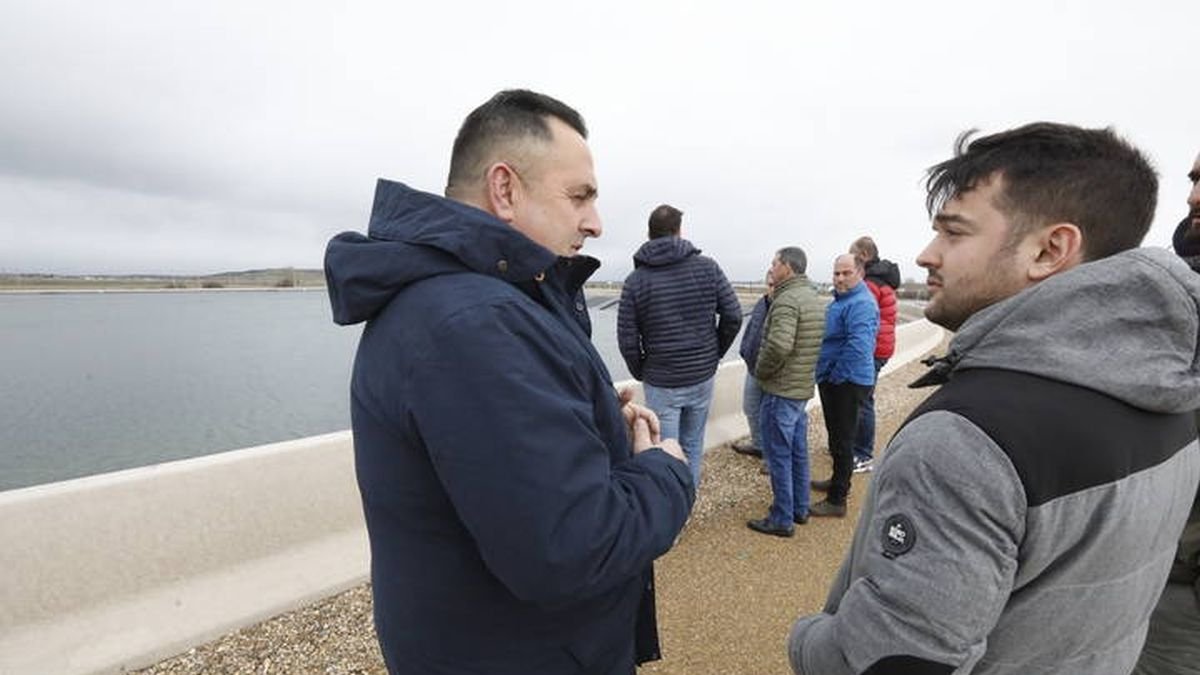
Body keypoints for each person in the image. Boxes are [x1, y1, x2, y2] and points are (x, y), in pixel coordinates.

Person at [788, 123, 1200, 675]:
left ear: (1050, 249)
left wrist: (811, 638)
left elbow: (887, 660)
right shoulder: (1173, 389)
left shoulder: (965, 440)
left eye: (954, 233)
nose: (927, 254)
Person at [324, 89, 695, 675]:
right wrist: (666, 469)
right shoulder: (473, 325)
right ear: (504, 189)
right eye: (579, 196)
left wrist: (591, 414)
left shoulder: (478, 305)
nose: (595, 223)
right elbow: (571, 550)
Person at [617, 204, 742, 487]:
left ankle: (671, 518)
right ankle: (687, 505)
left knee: (665, 452)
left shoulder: (635, 281)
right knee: (693, 445)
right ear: (679, 231)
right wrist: (714, 355)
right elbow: (733, 315)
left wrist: (642, 371)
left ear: (649, 235)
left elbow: (627, 339)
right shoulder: (708, 268)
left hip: (662, 381)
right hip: (701, 376)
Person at [1132, 151, 1200, 674]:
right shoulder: (1174, 289)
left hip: (1182, 586)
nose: (1193, 196)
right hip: (1143, 559)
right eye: (1194, 178)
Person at [745, 247, 825, 537]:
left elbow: (779, 345)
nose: (771, 267)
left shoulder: (787, 299)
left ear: (787, 267)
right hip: (801, 387)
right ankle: (800, 508)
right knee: (798, 451)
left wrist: (762, 371)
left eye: (775, 263)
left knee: (779, 454)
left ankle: (781, 518)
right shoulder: (812, 297)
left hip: (781, 389)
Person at [809, 253, 879, 517]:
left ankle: (837, 500)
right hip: (835, 378)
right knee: (837, 437)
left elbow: (859, 347)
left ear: (859, 273)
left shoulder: (860, 303)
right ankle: (837, 481)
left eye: (845, 273)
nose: (839, 278)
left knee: (844, 439)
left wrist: (834, 376)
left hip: (847, 381)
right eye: (836, 273)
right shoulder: (842, 300)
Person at [847, 236, 900, 473]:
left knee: (862, 401)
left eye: (853, 254)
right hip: (882, 346)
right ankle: (856, 447)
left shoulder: (870, 283)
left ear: (864, 256)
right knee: (863, 399)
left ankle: (863, 454)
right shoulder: (883, 280)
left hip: (872, 349)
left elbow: (862, 320)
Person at [731, 271, 772, 460]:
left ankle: (772, 457)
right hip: (753, 367)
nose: (771, 289)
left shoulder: (785, 307)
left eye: (775, 285)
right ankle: (759, 445)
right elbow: (751, 331)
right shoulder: (761, 303)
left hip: (772, 372)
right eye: (769, 284)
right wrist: (744, 351)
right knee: (751, 407)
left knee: (772, 416)